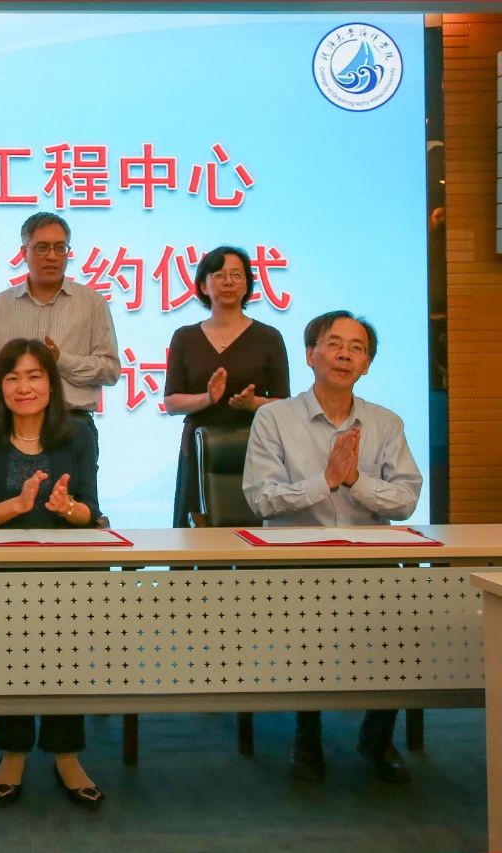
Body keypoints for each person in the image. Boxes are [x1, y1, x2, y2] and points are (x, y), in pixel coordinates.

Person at [243, 310, 422, 783]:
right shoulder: (273, 418)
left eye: (357, 348)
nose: (345, 355)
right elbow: (261, 497)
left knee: (411, 617)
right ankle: (307, 735)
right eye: (334, 344)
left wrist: (355, 480)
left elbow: (406, 499)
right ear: (310, 354)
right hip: (297, 562)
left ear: (366, 365)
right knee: (308, 628)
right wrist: (324, 481)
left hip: (370, 561)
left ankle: (377, 736)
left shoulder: (386, 423)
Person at [0, 338, 103, 809]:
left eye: (34, 377)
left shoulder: (78, 435)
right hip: (5, 570)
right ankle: (13, 752)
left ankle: (66, 754)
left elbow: (91, 511)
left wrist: (68, 509)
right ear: (0, 387)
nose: (23, 388)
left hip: (65, 568)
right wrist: (17, 505)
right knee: (11, 652)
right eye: (12, 378)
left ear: (51, 383)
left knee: (68, 650)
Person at [0, 212, 119, 455]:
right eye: (42, 247)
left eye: (60, 248)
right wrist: (22, 368)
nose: (52, 256)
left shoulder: (92, 303)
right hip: (10, 426)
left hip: (73, 426)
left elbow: (110, 370)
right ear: (24, 252)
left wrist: (60, 361)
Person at [163, 245, 290, 527]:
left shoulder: (269, 337)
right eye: (219, 275)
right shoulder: (185, 337)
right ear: (203, 286)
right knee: (194, 531)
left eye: (236, 275)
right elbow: (171, 402)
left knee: (254, 533)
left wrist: (253, 403)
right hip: (199, 449)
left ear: (247, 285)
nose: (228, 282)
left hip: (256, 448)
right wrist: (207, 398)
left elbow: (284, 403)